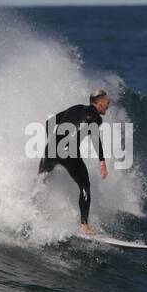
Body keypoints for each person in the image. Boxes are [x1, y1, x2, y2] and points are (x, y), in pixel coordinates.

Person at [37, 89, 110, 234]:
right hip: (69, 152)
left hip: (51, 148)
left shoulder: (75, 107)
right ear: (100, 103)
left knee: (41, 179)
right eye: (107, 103)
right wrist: (102, 161)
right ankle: (84, 226)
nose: (108, 106)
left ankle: (31, 209)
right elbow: (95, 138)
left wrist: (53, 143)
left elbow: (49, 123)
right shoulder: (96, 118)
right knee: (85, 185)